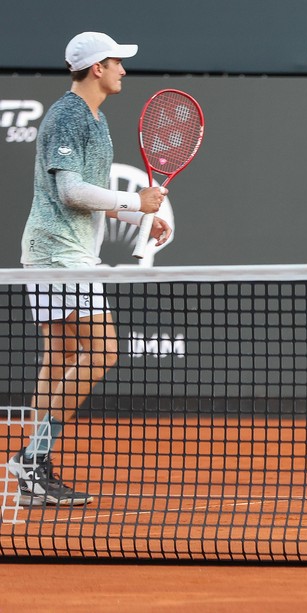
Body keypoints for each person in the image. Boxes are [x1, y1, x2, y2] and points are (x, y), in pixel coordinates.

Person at [9, 32, 171, 506]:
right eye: (117, 62)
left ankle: (35, 469)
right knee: (102, 352)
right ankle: (32, 457)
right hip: (60, 253)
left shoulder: (96, 122)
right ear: (97, 67)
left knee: (59, 357)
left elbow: (93, 200)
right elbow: (70, 193)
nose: (124, 69)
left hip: (63, 251)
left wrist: (142, 214)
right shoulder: (67, 116)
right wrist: (134, 199)